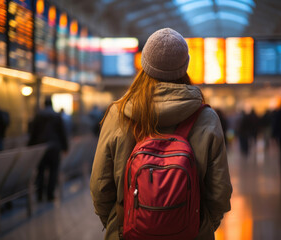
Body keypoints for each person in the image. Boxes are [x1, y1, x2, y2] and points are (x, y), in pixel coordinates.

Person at [90, 28, 232, 240]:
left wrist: (119, 222)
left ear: (144, 65)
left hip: (127, 233)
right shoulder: (206, 117)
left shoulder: (118, 114)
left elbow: (100, 187)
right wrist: (200, 226)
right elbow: (219, 192)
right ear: (185, 66)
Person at [28, 97, 68, 202]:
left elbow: (33, 133)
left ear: (44, 104)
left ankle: (39, 195)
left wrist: (30, 146)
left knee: (40, 171)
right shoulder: (57, 116)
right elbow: (62, 133)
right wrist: (65, 147)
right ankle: (50, 195)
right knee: (53, 171)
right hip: (54, 147)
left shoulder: (38, 116)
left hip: (41, 147)